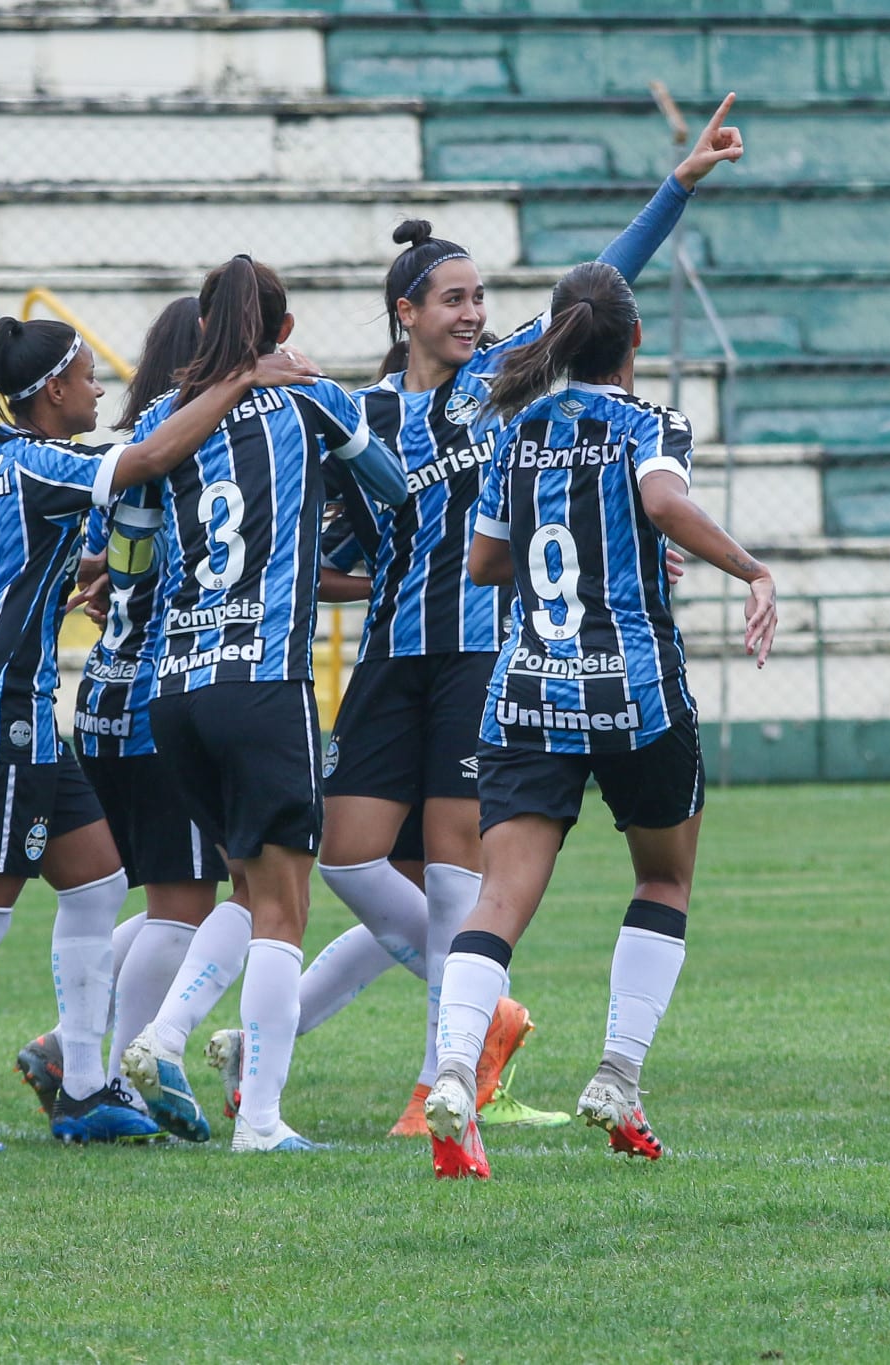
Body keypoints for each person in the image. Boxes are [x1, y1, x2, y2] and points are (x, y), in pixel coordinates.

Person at [311, 91, 746, 1137]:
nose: (471, 315)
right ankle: (480, 1021)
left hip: (487, 658)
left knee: (475, 872)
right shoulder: (361, 411)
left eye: (478, 300)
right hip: (396, 653)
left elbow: (594, 299)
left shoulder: (502, 391)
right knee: (356, 859)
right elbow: (324, 537)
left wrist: (671, 190)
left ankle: (443, 1067)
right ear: (404, 314)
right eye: (451, 301)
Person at [0, 315, 321, 1157]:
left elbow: (58, 549)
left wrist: (86, 576)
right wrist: (242, 378)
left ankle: (84, 1088)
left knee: (94, 881)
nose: (100, 391)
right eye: (87, 377)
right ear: (52, 390)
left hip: (22, 714)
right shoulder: (33, 459)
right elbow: (147, 460)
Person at [424, 258, 778, 1180]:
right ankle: (618, 1074)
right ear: (634, 341)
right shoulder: (649, 424)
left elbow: (487, 566)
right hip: (634, 692)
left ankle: (454, 1072)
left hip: (530, 690)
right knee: (662, 879)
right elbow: (662, 500)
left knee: (500, 898)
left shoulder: (515, 429)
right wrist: (751, 571)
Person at [132, 254, 409, 1153]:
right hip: (261, 677)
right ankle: (259, 1119)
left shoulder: (158, 418)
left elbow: (129, 548)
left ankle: (166, 1034)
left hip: (173, 686)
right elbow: (396, 487)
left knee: (247, 885)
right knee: (285, 906)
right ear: (282, 332)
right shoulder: (311, 400)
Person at [13, 298, 248, 1144]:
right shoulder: (193, 456)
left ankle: (67, 1047)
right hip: (159, 702)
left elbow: (124, 555)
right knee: (192, 902)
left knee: (172, 896)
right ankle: (115, 1076)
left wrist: (108, 571)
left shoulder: (132, 452)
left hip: (105, 699)